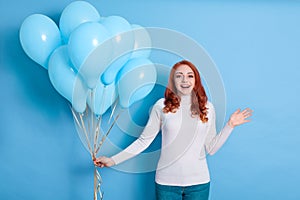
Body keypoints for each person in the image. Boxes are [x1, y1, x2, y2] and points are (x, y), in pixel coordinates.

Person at [94, 60, 252, 200]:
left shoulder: (208, 108)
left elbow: (211, 148)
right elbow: (143, 141)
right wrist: (113, 160)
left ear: (196, 80)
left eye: (190, 76)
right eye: (179, 76)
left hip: (199, 184)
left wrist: (230, 125)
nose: (185, 80)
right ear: (173, 81)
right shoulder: (161, 106)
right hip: (166, 184)